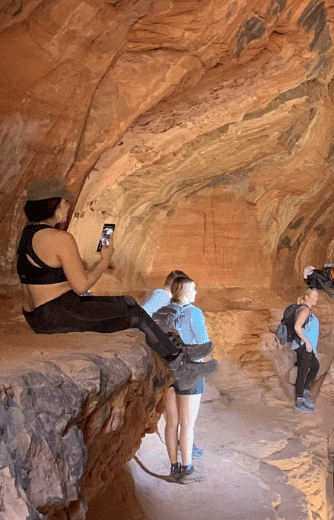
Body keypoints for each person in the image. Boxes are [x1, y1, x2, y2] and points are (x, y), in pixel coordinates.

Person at [16, 179, 215, 391]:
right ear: (54, 205)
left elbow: (51, 273)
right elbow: (80, 286)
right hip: (58, 314)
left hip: (38, 315)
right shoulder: (60, 238)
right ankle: (181, 368)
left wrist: (98, 265)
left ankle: (180, 351)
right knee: (134, 316)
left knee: (127, 301)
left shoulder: (29, 234)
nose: (68, 206)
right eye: (65, 202)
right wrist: (104, 261)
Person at [157, 275, 211, 483]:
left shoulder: (164, 313)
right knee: (187, 424)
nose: (196, 293)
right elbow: (202, 344)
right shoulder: (194, 313)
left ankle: (174, 468)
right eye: (194, 289)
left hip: (169, 372)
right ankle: (187, 470)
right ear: (186, 292)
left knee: (171, 422)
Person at [292, 285, 321, 411]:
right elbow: (297, 327)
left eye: (317, 296)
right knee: (302, 373)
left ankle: (305, 393)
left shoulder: (307, 310)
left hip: (307, 347)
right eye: (314, 296)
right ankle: (299, 403)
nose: (317, 298)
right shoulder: (305, 310)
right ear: (307, 297)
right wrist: (307, 343)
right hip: (304, 346)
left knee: (315, 366)